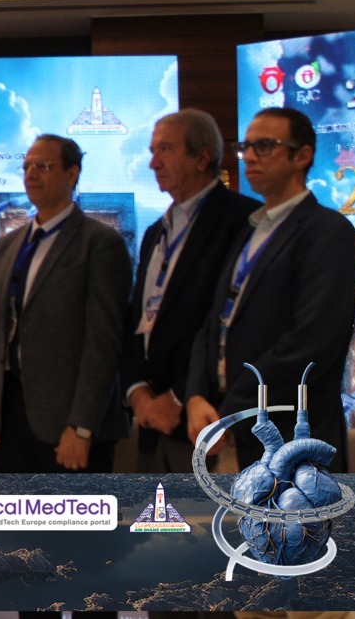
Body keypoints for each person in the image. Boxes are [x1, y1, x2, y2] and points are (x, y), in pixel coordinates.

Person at [187, 107, 355, 471]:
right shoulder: (249, 229)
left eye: (264, 146)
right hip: (232, 431)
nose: (249, 156)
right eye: (245, 147)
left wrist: (232, 410)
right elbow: (214, 322)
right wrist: (197, 395)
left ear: (302, 156)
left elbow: (311, 343)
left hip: (292, 442)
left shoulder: (328, 232)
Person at [0, 134, 130, 473]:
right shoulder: (9, 244)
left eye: (43, 166)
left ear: (72, 173)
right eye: (26, 166)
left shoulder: (100, 243)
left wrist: (82, 426)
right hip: (9, 415)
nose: (31, 174)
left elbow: (104, 342)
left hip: (70, 424)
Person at [123, 110, 260, 472]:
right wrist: (137, 392)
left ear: (202, 157)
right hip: (151, 422)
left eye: (165, 150)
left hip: (210, 425)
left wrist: (179, 396)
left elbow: (237, 326)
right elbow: (139, 317)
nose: (153, 163)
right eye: (152, 151)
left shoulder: (244, 221)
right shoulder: (155, 232)